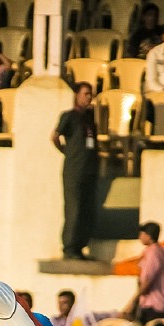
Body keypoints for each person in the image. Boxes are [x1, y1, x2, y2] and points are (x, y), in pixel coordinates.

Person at [52, 82, 98, 261]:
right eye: (86, 93)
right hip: (74, 169)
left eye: (90, 94)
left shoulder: (89, 119)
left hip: (89, 169)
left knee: (87, 208)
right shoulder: (69, 116)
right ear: (77, 95)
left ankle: (80, 246)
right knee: (74, 207)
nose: (88, 97)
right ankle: (69, 246)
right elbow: (55, 137)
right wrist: (67, 152)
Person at [125, 221, 164, 324]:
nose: (140, 236)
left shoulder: (153, 253)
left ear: (149, 236)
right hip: (157, 305)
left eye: (142, 234)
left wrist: (132, 303)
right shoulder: (162, 252)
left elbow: (146, 281)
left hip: (153, 306)